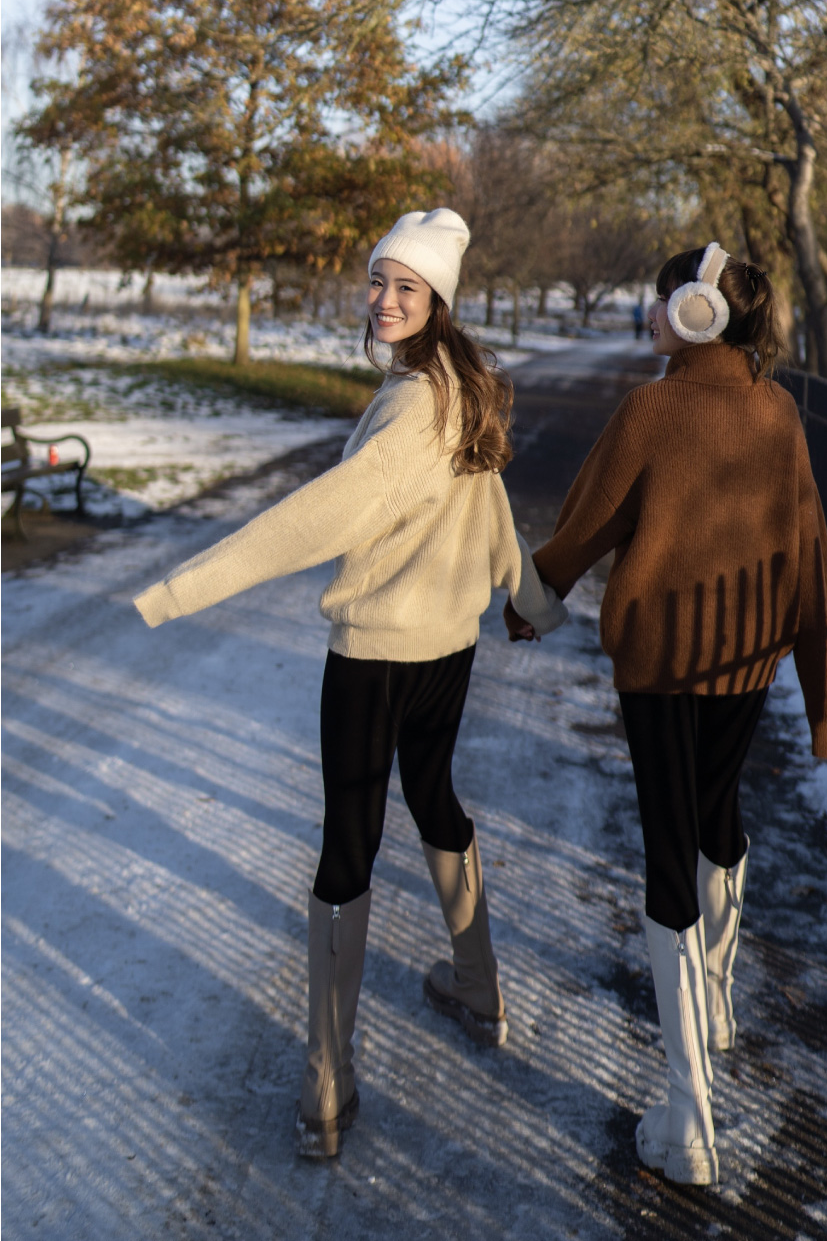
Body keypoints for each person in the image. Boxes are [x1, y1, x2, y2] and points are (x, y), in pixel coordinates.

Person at [134, 208, 566, 1159]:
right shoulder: (456, 388)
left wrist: (178, 590)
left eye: (404, 287)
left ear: (437, 300)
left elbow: (308, 520)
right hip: (446, 653)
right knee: (434, 800)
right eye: (377, 280)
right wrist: (534, 600)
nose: (382, 299)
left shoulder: (411, 410)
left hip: (374, 660)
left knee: (349, 844)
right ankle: (479, 987)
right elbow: (494, 516)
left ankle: (326, 1085)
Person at [505, 242, 827, 1186]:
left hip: (658, 667)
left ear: (699, 312)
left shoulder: (650, 410)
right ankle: (718, 1003)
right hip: (745, 666)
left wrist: (531, 600)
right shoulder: (778, 412)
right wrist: (825, 703)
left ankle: (689, 1121)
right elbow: (811, 554)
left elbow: (586, 525)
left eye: (663, 302)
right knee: (717, 819)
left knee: (668, 853)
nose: (651, 315)